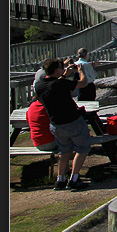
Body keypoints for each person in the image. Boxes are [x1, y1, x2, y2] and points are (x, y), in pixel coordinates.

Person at [34, 57, 91, 190]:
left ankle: (60, 180)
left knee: (64, 150)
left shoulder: (39, 86)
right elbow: (83, 83)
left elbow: (52, 85)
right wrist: (81, 71)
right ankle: (74, 178)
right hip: (72, 121)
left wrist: (64, 75)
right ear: (57, 69)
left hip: (56, 124)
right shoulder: (62, 84)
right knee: (82, 149)